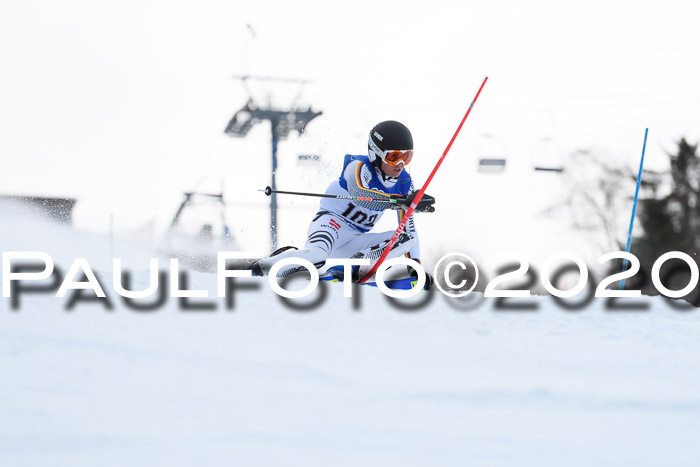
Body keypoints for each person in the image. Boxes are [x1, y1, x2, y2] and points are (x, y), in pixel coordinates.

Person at [252, 120, 435, 283]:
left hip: (355, 240)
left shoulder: (404, 183)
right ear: (376, 154)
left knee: (406, 237)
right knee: (317, 256)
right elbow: (361, 195)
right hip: (331, 225)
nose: (400, 164)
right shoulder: (357, 167)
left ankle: (355, 267)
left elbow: (408, 227)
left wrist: (414, 266)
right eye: (394, 157)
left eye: (407, 157)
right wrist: (399, 202)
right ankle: (263, 267)